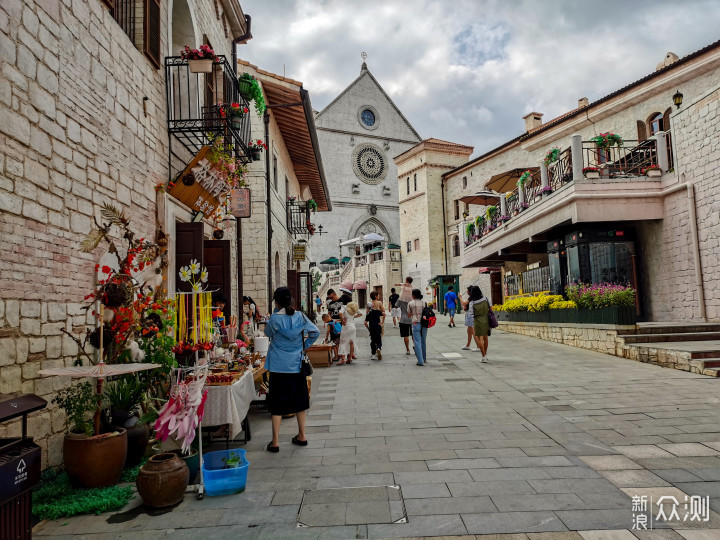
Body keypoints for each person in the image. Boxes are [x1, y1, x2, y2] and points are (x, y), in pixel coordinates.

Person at [264, 286, 319, 452]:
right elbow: (314, 332)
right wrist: (303, 346)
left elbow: (267, 333)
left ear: (277, 302)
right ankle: (302, 435)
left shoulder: (274, 319)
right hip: (296, 365)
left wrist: (275, 313)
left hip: (278, 365)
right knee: (300, 400)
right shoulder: (300, 316)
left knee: (277, 402)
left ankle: (275, 442)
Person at [407, 289, 427, 366]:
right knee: (423, 341)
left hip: (415, 323)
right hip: (424, 324)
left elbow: (409, 315)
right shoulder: (424, 303)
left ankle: (420, 360)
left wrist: (414, 313)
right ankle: (424, 358)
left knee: (417, 342)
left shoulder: (410, 303)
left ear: (413, 295)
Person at [471, 286, 490, 362]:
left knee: (479, 339)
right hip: (486, 319)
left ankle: (483, 356)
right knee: (485, 338)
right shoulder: (486, 299)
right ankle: (485, 354)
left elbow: (471, 313)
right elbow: (490, 308)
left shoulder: (472, 303)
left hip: (477, 320)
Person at [364, 291, 385, 360]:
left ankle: (373, 354)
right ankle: (378, 348)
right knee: (379, 337)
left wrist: (368, 328)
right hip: (378, 323)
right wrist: (382, 322)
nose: (378, 296)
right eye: (378, 295)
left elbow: (367, 313)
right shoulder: (379, 303)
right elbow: (383, 311)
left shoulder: (368, 304)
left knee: (372, 339)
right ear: (376, 296)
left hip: (371, 325)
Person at [396, 277, 414, 355]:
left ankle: (408, 350)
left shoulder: (401, 299)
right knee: (414, 335)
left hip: (403, 319)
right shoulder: (413, 299)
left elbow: (396, 306)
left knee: (405, 335)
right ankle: (415, 346)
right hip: (413, 319)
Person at [459, 286, 478, 351]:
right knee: (469, 331)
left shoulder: (471, 298)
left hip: (471, 316)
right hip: (470, 315)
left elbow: (464, 303)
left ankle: (478, 346)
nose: (467, 292)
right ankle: (468, 345)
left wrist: (460, 297)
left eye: (468, 290)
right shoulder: (475, 297)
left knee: (473, 331)